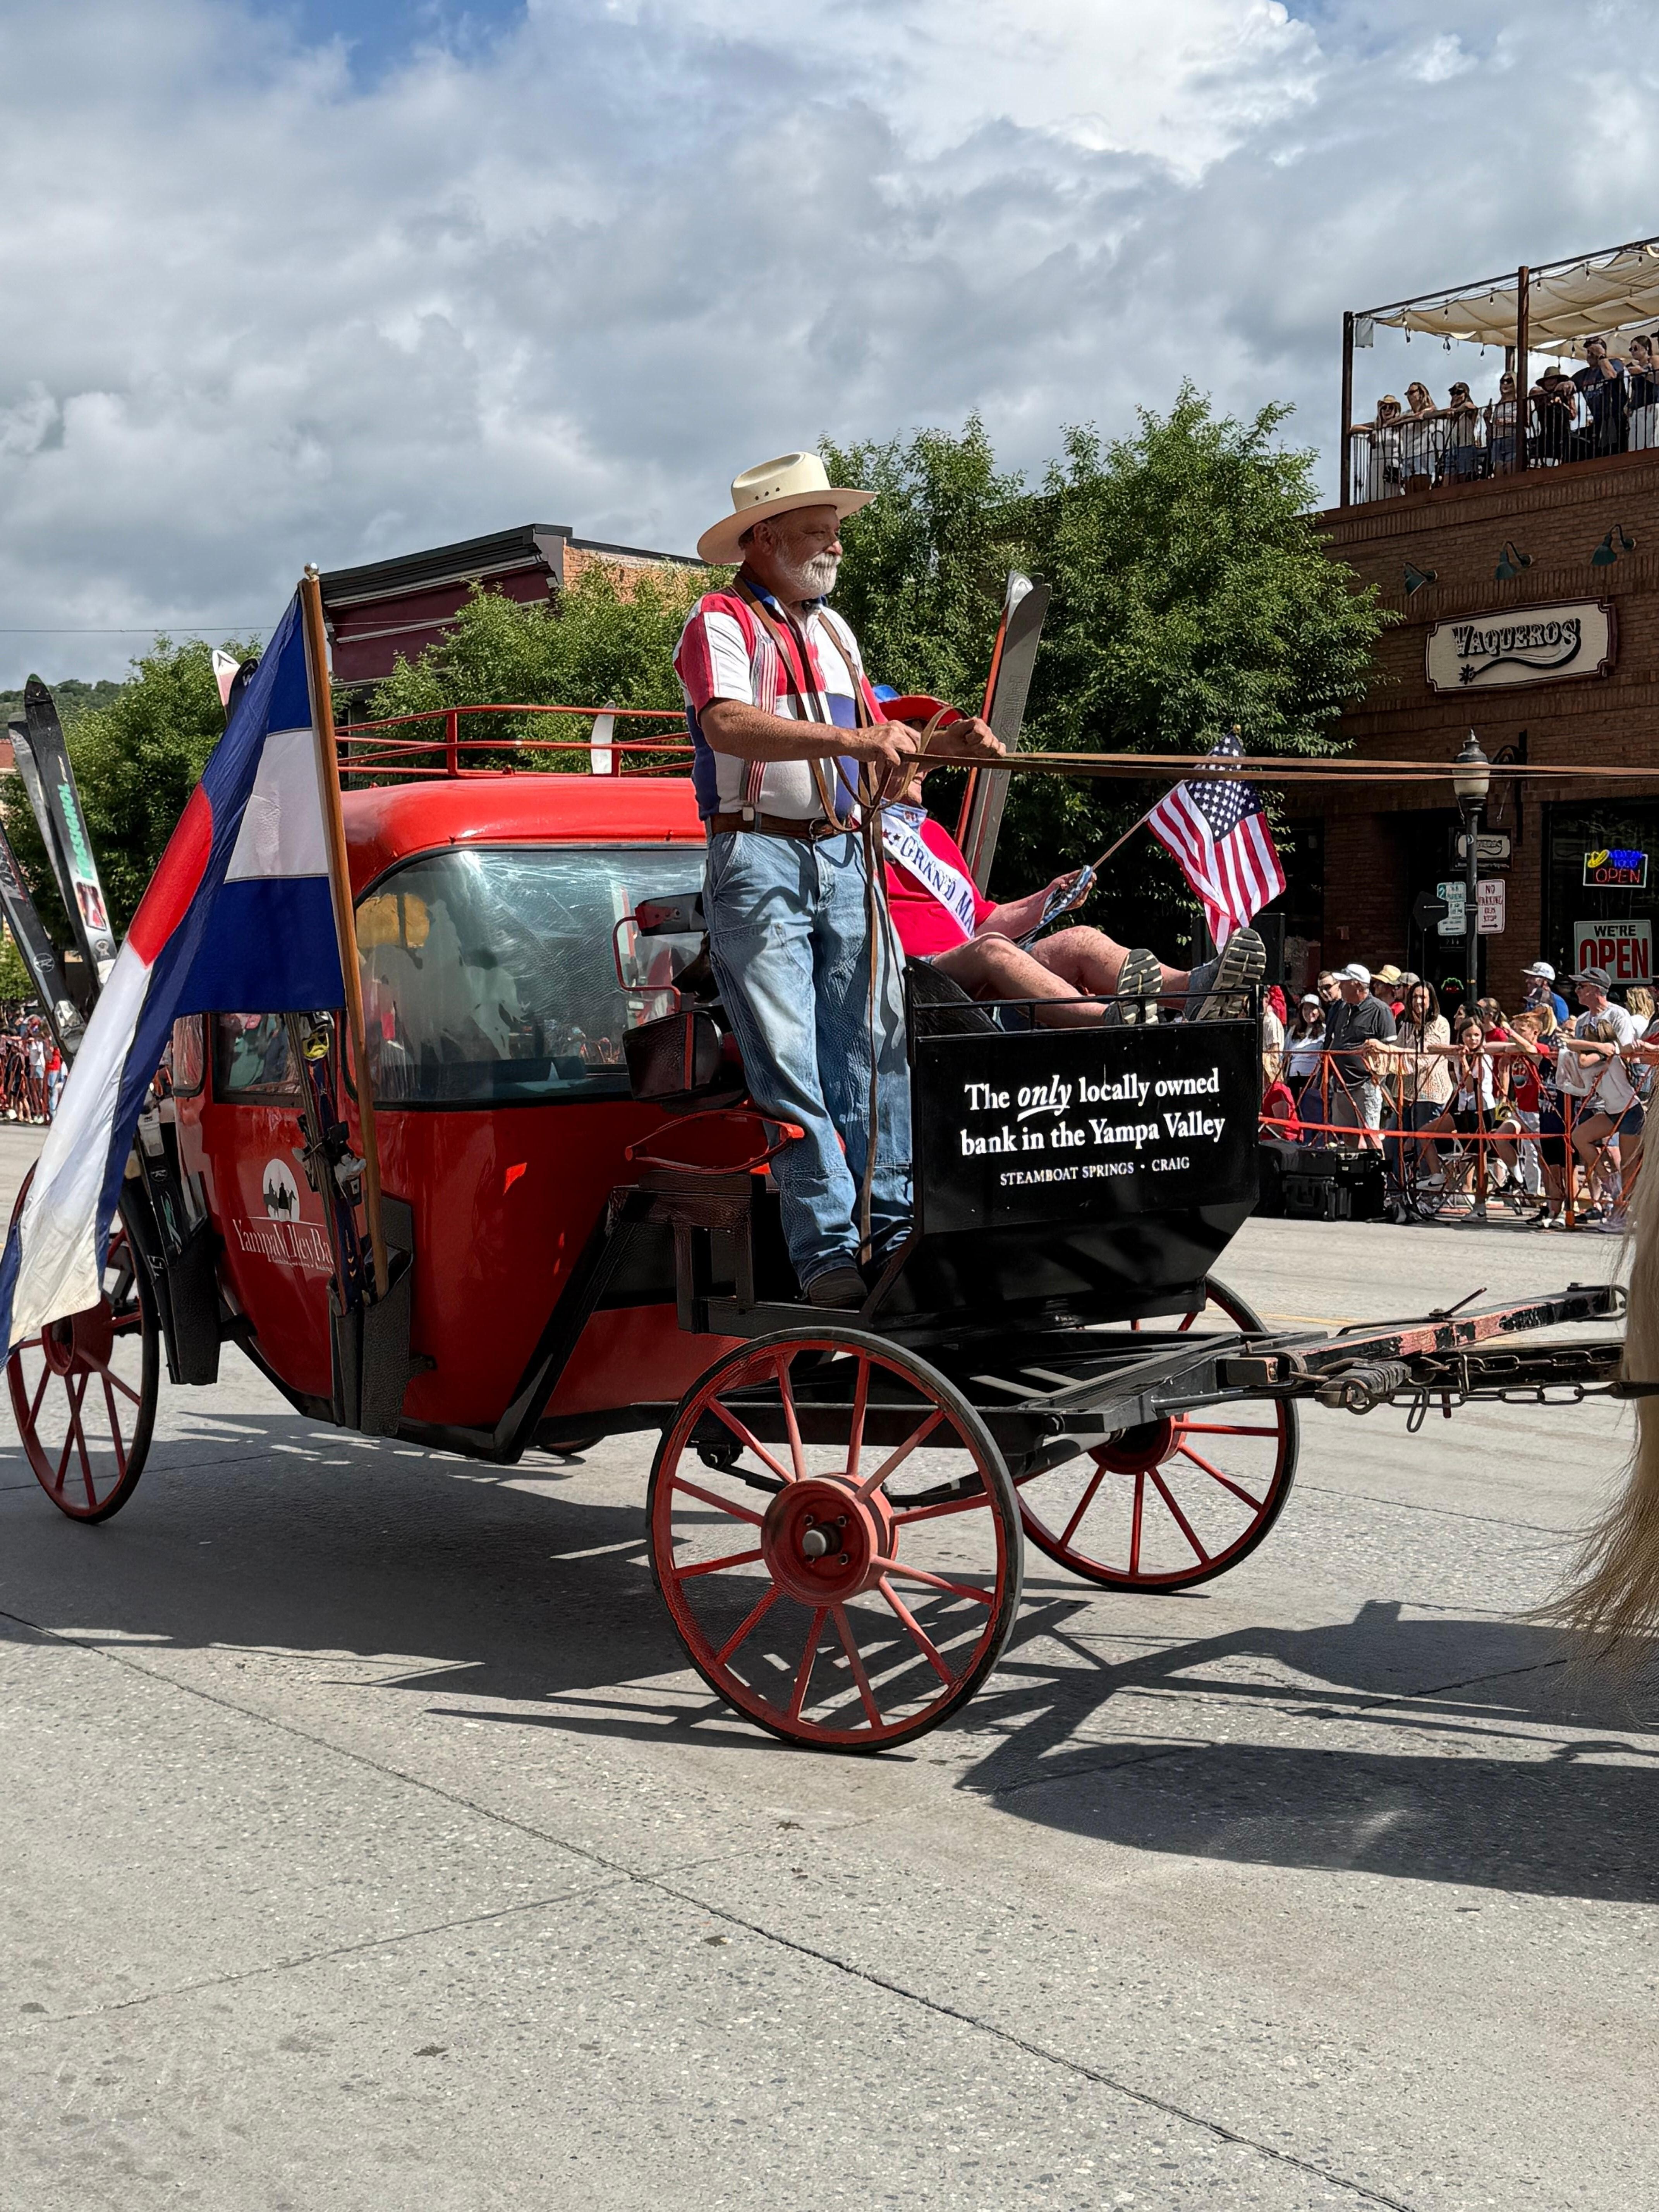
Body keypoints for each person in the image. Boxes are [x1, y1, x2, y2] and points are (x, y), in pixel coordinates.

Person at [675, 450, 1003, 1308]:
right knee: (790, 1062)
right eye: (819, 533)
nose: (836, 549)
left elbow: (882, 757)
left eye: (835, 534)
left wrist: (940, 749)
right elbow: (729, 725)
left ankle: (890, 1234)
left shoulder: (835, 631)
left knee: (875, 1047)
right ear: (766, 537)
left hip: (841, 850)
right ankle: (826, 1254)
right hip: (758, 852)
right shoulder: (718, 620)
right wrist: (862, 743)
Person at [875, 743, 1267, 1025]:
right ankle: (1110, 1021)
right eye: (908, 753)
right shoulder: (849, 830)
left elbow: (979, 920)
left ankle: (1196, 991)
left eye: (923, 752)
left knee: (1080, 940)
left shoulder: (934, 835)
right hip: (911, 975)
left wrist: (1049, 897)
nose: (923, 765)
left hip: (964, 963)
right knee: (993, 951)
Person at [1386, 979, 1453, 1187]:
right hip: (1405, 1092)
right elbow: (1395, 1050)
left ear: (1431, 1001)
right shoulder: (1405, 1023)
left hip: (1430, 1092)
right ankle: (1397, 1186)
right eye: (1414, 997)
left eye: (1422, 997)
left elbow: (1425, 1057)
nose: (1417, 1001)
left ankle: (1427, 1189)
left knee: (1421, 1143)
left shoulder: (1440, 1023)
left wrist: (1390, 1052)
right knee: (1391, 1141)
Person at [1323, 964, 1395, 1149]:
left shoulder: (1381, 1010)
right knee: (1348, 1135)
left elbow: (1389, 1050)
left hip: (1366, 1084)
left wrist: (1377, 1078)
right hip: (1341, 1084)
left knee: (1372, 1136)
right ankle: (1353, 1175)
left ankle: (1379, 1176)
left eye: (1344, 983)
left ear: (1356, 985)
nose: (1340, 986)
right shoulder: (1342, 1009)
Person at [1572, 335, 1628, 458]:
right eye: (1588, 352)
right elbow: (1571, 383)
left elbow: (1611, 375)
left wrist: (1602, 356)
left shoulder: (1615, 363)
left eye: (1593, 352)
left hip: (1615, 417)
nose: (1590, 355)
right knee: (1599, 452)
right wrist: (1566, 383)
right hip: (1598, 420)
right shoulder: (1583, 374)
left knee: (1615, 451)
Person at [1530, 365, 1579, 464]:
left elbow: (1573, 415)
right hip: (1546, 437)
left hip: (1564, 435)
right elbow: (1533, 392)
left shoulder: (1566, 396)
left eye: (1553, 379)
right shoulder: (1540, 395)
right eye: (1548, 380)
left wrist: (1562, 403)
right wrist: (1553, 395)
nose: (1550, 382)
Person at [1357, 396, 1404, 500]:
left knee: (1392, 494)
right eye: (1384, 407)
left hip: (1393, 465)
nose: (1387, 410)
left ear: (1395, 410)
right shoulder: (1376, 428)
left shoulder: (1400, 427)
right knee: (1375, 492)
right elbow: (1354, 428)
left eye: (1390, 407)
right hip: (1377, 465)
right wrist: (1371, 431)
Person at [1285, 993, 1326, 1111]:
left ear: (1319, 1011)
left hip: (1311, 1078)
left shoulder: (1324, 1031)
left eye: (1313, 1008)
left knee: (1309, 1111)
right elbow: (1286, 1052)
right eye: (1306, 1009)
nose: (1309, 1012)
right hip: (1293, 1077)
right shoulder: (1295, 1031)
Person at [1442, 381, 1483, 480]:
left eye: (1459, 393)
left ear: (1466, 394)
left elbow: (1470, 406)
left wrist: (1456, 410)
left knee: (1464, 478)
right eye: (1453, 393)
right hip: (1450, 450)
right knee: (1448, 479)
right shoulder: (1450, 414)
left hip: (1466, 447)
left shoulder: (1468, 411)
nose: (1456, 396)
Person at [1627, 334, 1659, 453]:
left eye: (1636, 348)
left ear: (1646, 349)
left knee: (1652, 441)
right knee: (1636, 444)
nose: (1633, 352)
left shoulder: (1653, 360)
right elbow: (1635, 389)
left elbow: (1658, 378)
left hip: (1652, 403)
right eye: (1631, 349)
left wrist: (1642, 373)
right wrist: (1630, 405)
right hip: (1638, 406)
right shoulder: (1636, 367)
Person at [1488, 371, 1521, 474]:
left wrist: (1505, 422)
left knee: (1512, 472)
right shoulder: (1498, 406)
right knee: (1498, 474)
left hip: (1512, 439)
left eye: (1509, 381)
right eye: (1503, 382)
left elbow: (1524, 422)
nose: (1505, 384)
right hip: (1497, 441)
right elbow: (1493, 429)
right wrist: (1487, 420)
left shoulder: (1519, 403)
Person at [1520, 960, 1570, 1027]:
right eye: (1528, 977)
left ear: (1545, 981)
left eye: (1533, 977)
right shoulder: (1531, 1002)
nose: (1527, 981)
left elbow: (1563, 1026)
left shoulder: (1557, 1001)